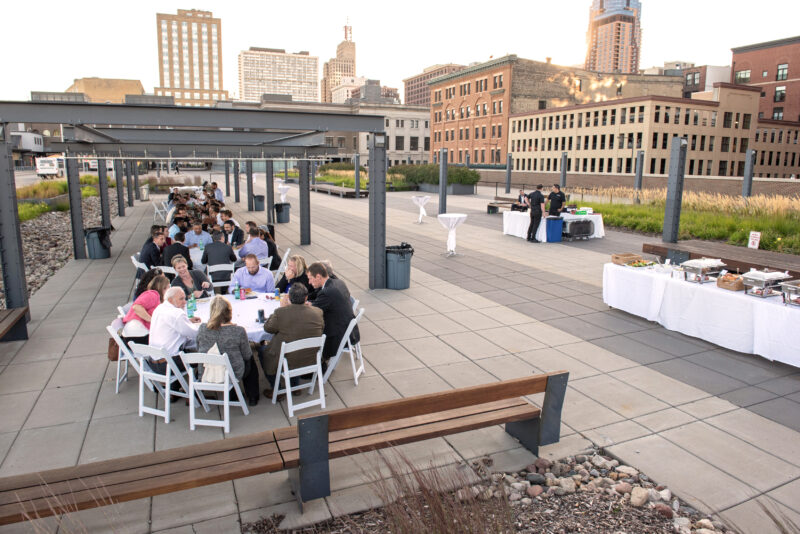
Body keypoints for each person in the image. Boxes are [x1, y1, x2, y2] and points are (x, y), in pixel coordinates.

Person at [260, 284, 324, 399]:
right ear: (306, 298)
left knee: (262, 351)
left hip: (288, 359)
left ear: (289, 297)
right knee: (296, 344)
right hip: (310, 357)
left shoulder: (281, 313)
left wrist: (279, 308)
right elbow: (321, 328)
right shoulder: (318, 312)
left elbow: (268, 328)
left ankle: (277, 389)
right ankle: (295, 386)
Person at [196, 297, 260, 405]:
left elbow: (199, 349)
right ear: (229, 312)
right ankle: (253, 396)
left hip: (207, 370)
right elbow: (246, 355)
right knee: (250, 359)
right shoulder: (238, 331)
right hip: (233, 372)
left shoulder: (202, 328)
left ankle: (233, 394)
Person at [148, 287, 200, 395]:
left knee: (183, 348)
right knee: (203, 357)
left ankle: (174, 388)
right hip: (169, 365)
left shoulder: (160, 308)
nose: (185, 302)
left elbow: (172, 325)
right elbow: (194, 334)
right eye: (181, 299)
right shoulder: (176, 314)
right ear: (171, 300)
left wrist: (187, 321)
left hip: (153, 363)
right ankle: (195, 394)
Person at [308, 261, 359, 363]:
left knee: (306, 330)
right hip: (350, 332)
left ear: (318, 276)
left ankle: (314, 365)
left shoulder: (327, 292)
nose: (309, 282)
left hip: (337, 337)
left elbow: (311, 314)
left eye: (310, 278)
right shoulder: (338, 282)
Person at [121, 275, 170, 346]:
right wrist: (152, 320)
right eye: (168, 288)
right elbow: (136, 307)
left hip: (136, 337)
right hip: (136, 337)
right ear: (163, 287)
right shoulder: (152, 294)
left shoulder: (158, 299)